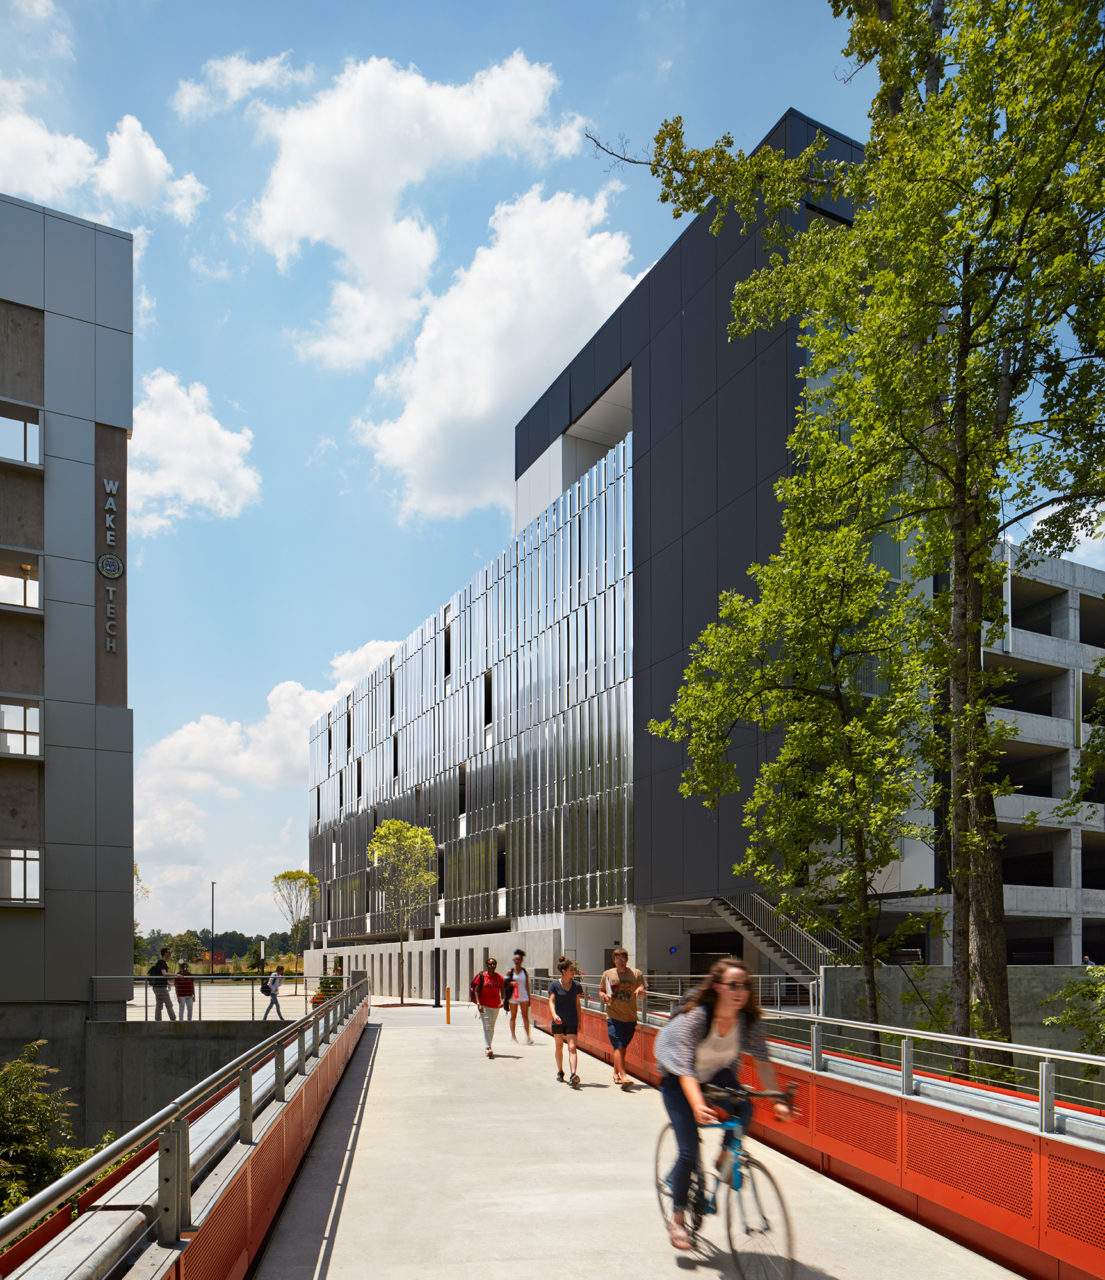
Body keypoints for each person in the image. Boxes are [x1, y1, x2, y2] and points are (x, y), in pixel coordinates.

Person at [654, 957, 792, 1252]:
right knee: (689, 1153)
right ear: (717, 987)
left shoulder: (748, 1022)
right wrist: (697, 1106)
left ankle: (724, 1156)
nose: (740, 991)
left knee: (746, 1105)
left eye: (745, 986)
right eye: (733, 985)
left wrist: (777, 1099)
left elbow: (764, 1064)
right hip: (679, 1079)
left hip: (717, 1073)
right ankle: (677, 1219)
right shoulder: (697, 1018)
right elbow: (684, 1069)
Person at [600, 946, 646, 1086]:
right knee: (619, 1046)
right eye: (618, 959)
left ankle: (615, 1074)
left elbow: (643, 990)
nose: (620, 961)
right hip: (613, 1016)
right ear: (614, 960)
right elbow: (601, 991)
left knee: (622, 1048)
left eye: (623, 959)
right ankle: (624, 1076)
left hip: (630, 1017)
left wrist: (640, 990)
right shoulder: (607, 974)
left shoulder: (636, 974)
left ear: (627, 959)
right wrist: (605, 996)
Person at [548, 956, 583, 1085]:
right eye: (571, 970)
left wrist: (580, 1021)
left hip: (572, 1020)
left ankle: (573, 1074)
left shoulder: (576, 985)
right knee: (559, 1046)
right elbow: (551, 1001)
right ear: (564, 971)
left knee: (572, 1047)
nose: (574, 972)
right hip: (558, 1021)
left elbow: (578, 1004)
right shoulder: (555, 985)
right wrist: (554, 1014)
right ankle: (560, 1071)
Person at [472, 957, 505, 1058]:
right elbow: (476, 991)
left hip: (495, 1005)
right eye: (490, 964)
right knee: (487, 1025)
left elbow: (503, 991)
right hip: (484, 1005)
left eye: (494, 964)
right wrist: (478, 1003)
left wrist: (503, 1001)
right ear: (487, 965)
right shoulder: (482, 976)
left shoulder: (499, 977)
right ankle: (488, 1047)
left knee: (491, 1026)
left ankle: (488, 1046)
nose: (492, 966)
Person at [506, 949, 533, 1043]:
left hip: (523, 996)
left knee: (525, 1016)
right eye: (514, 959)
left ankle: (528, 1037)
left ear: (521, 960)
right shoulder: (510, 971)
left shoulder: (524, 972)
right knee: (513, 1016)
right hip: (513, 996)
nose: (516, 961)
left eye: (517, 959)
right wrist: (510, 983)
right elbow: (505, 983)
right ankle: (513, 1036)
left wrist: (529, 998)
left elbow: (527, 985)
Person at [148, 948, 176, 1022]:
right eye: (169, 952)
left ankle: (158, 1020)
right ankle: (173, 1020)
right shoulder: (161, 962)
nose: (170, 954)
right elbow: (164, 974)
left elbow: (162, 975)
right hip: (160, 988)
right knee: (169, 1004)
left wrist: (168, 983)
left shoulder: (161, 963)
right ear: (165, 953)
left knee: (159, 1005)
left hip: (157, 987)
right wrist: (176, 975)